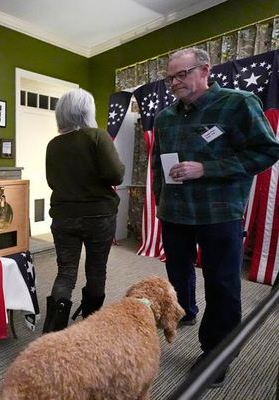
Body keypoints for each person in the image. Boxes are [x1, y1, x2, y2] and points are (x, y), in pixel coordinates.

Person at [152, 47, 279, 387]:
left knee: (222, 285)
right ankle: (185, 311)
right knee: (177, 275)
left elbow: (266, 150)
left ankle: (216, 354)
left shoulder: (238, 103)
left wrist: (205, 168)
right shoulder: (165, 117)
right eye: (170, 77)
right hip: (175, 214)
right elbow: (157, 165)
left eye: (182, 74)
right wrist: (159, 201)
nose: (175, 82)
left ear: (204, 70)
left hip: (219, 215)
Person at [42, 88, 125, 334]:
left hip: (64, 216)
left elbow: (52, 181)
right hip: (99, 216)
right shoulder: (97, 136)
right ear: (87, 111)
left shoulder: (53, 144)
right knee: (96, 270)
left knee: (65, 273)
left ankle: (53, 332)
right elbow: (116, 174)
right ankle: (90, 328)